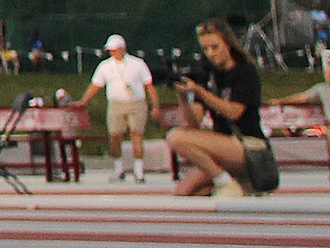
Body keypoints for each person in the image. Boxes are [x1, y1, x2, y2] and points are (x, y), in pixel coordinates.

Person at [165, 19, 273, 197]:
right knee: (184, 192)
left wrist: (200, 91)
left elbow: (235, 112)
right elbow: (193, 123)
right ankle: (238, 184)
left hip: (248, 145)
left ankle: (226, 182)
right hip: (222, 145)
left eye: (215, 47)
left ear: (228, 44)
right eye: (206, 49)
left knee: (175, 137)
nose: (211, 53)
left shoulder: (245, 72)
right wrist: (184, 97)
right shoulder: (210, 76)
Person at [69, 33, 161, 183]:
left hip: (136, 103)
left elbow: (149, 85)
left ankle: (139, 171)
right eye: (111, 50)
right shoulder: (105, 66)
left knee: (137, 135)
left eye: (115, 49)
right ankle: (119, 169)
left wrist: (155, 105)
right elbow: (96, 85)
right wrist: (84, 101)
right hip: (116, 104)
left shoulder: (137, 63)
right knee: (115, 136)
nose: (113, 52)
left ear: (123, 48)